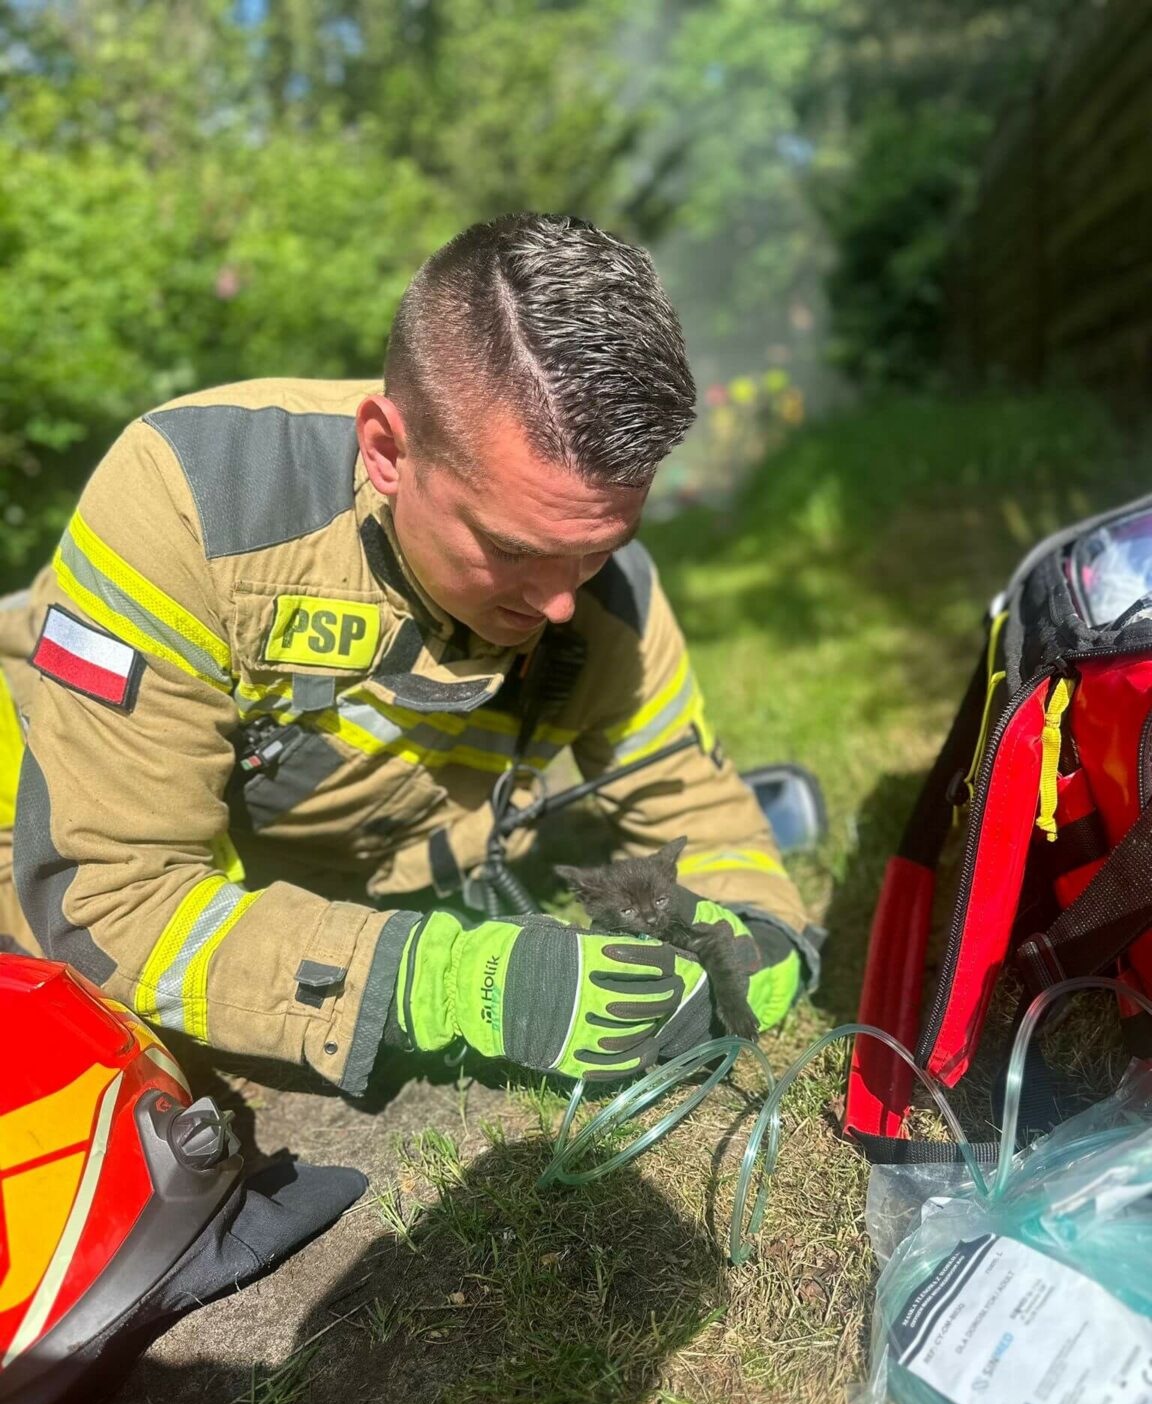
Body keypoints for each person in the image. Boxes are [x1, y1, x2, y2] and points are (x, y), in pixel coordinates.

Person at [0, 213, 821, 1094]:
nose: (559, 602)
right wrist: (437, 982)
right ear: (388, 450)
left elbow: (695, 803)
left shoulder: (610, 596)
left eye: (594, 548)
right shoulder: (198, 504)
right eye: (510, 548)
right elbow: (107, 902)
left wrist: (756, 939)